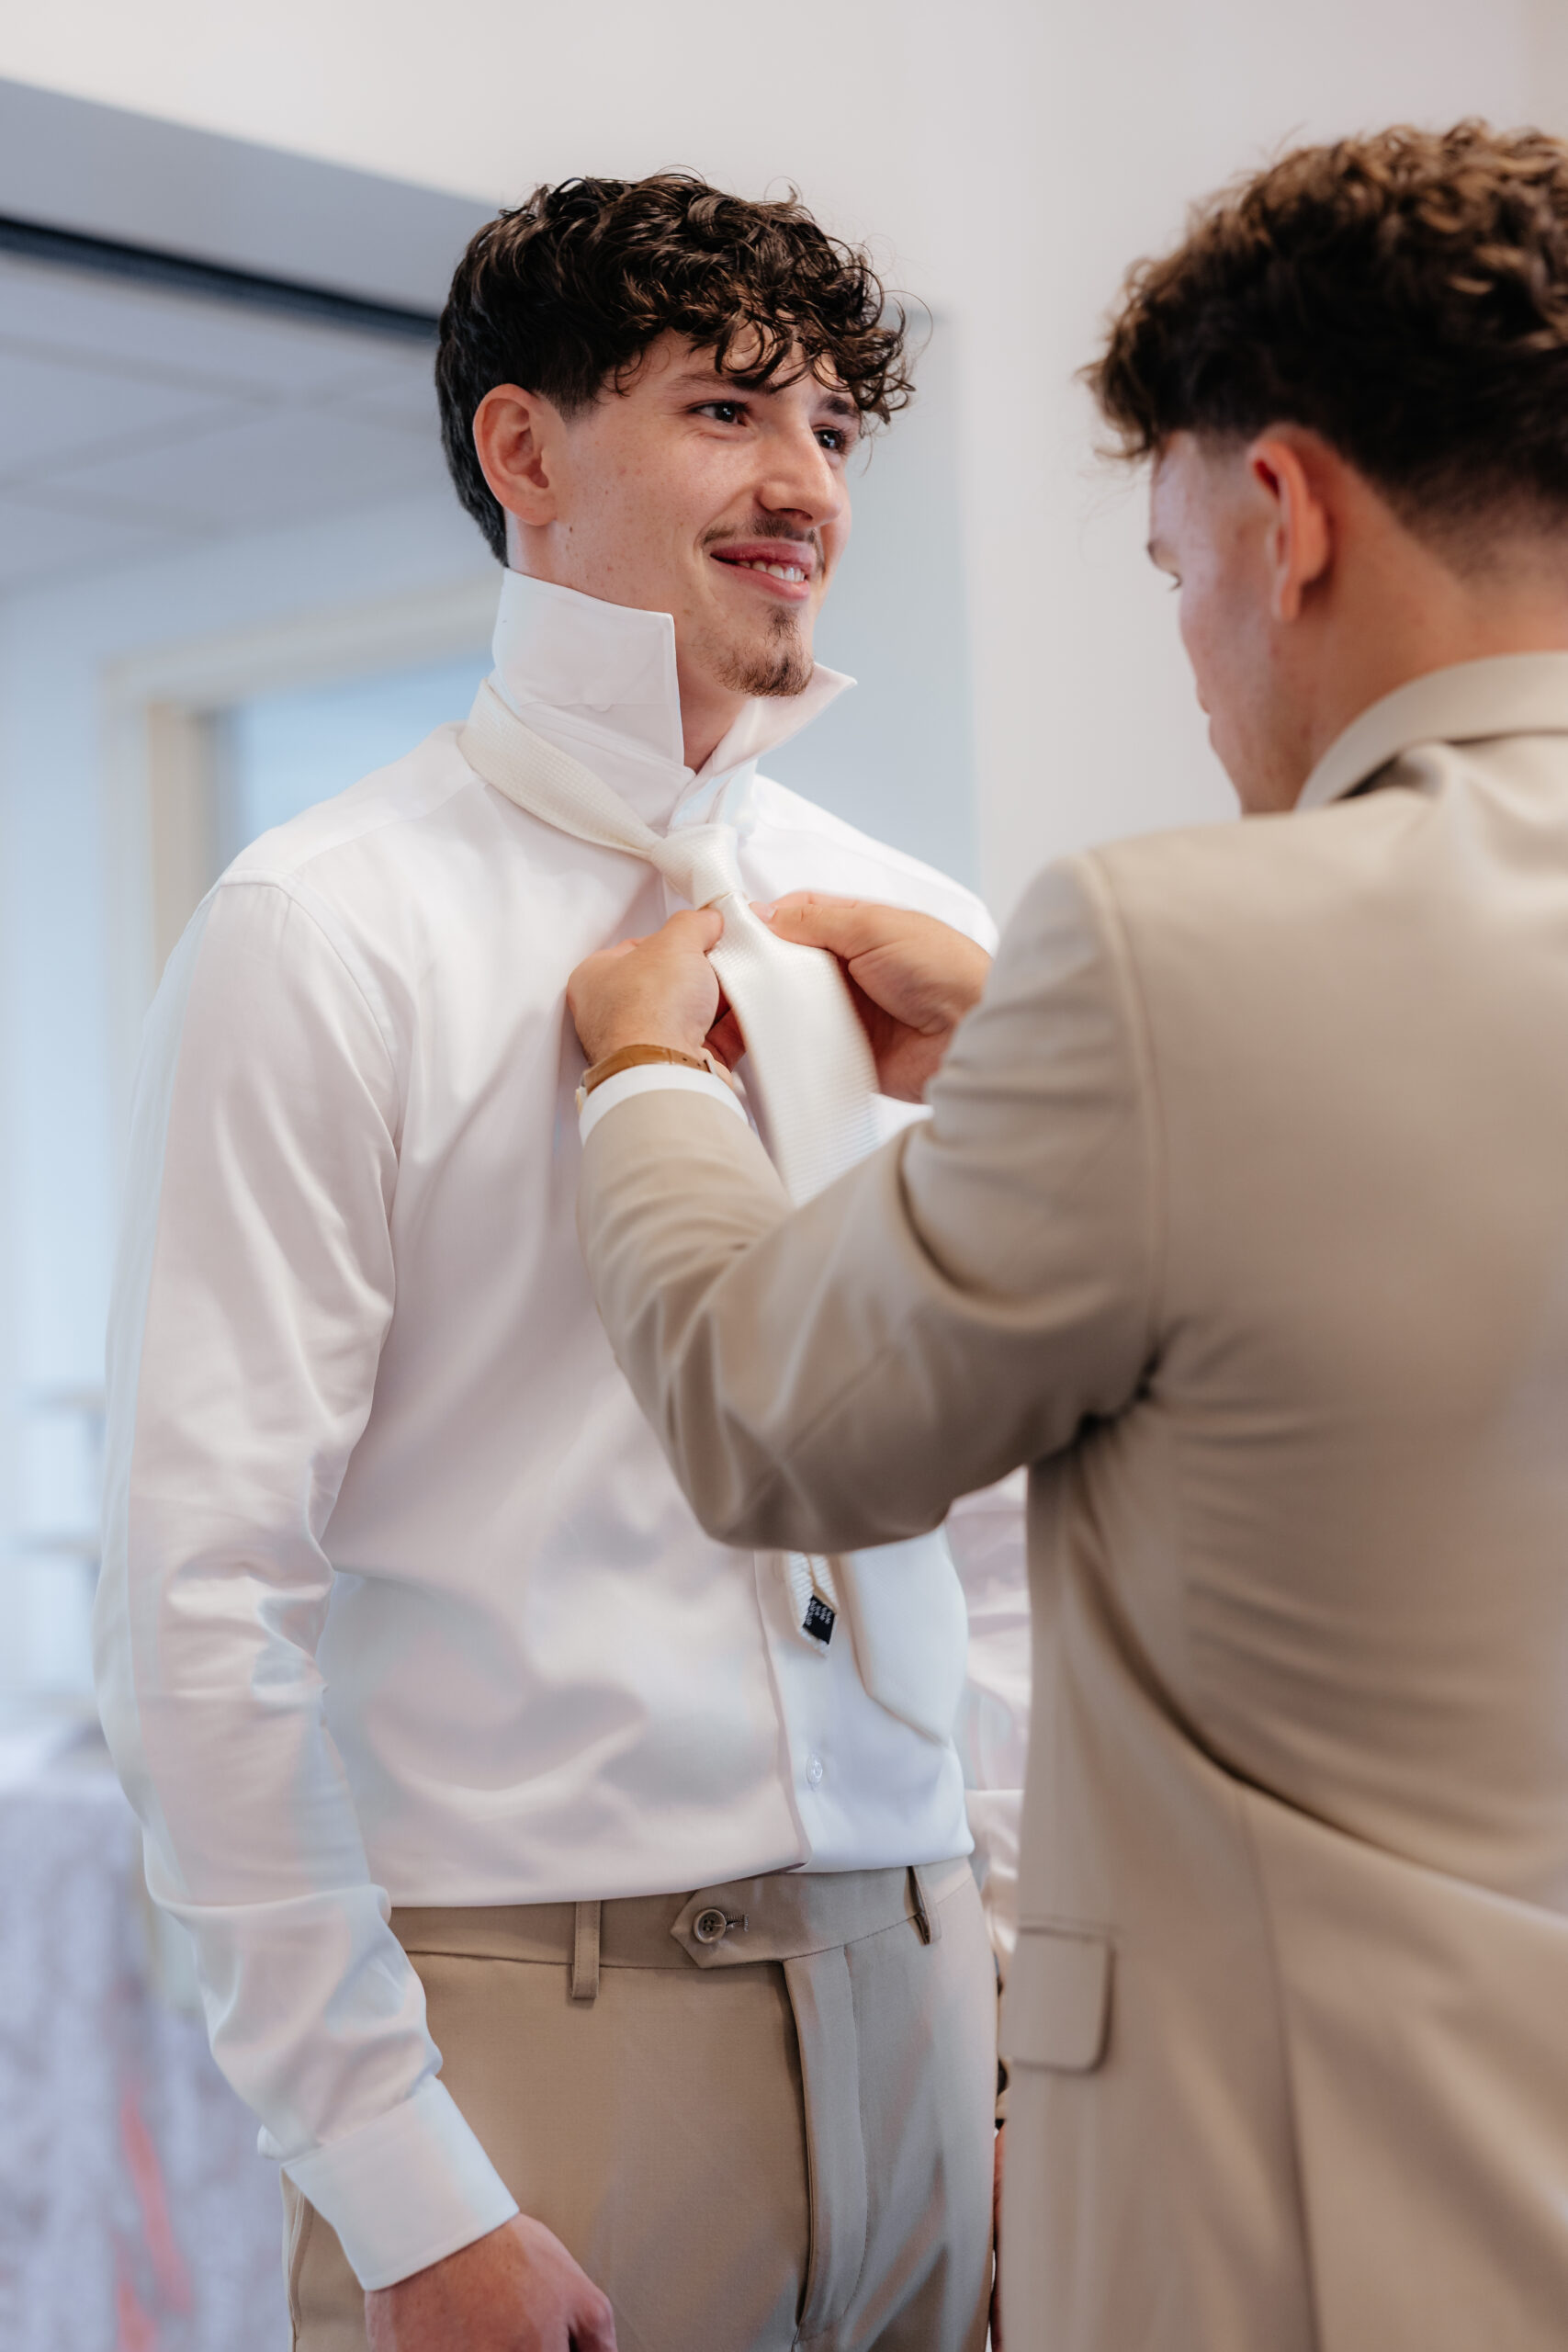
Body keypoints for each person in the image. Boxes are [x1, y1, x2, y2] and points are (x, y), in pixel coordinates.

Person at [563, 122, 1568, 2352]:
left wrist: (642, 1080)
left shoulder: (1171, 952)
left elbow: (771, 1417)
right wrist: (1050, 1066)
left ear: (1281, 515)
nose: (1196, 646)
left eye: (1169, 560)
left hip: (1309, 2224)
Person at [94, 175, 1025, 2352]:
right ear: (524, 451)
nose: (801, 483)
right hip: (550, 2034)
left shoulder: (911, 938)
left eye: (829, 430)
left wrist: (1008, 2037)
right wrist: (404, 2187)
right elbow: (202, 1592)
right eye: (723, 408)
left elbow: (985, 1529)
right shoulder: (321, 927)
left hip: (926, 1998)